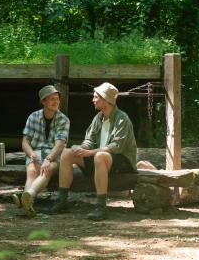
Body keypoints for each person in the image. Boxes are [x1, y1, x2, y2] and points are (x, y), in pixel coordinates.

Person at [46, 82, 137, 221]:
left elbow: (116, 147)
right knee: (66, 153)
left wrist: (90, 152)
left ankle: (101, 207)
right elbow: (89, 139)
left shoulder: (122, 119)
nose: (93, 99)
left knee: (100, 156)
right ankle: (62, 201)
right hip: (99, 158)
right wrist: (82, 148)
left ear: (105, 99)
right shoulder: (98, 118)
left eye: (96, 97)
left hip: (122, 162)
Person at [12, 85, 70, 217]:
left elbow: (60, 145)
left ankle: (26, 196)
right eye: (52, 99)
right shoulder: (33, 117)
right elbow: (25, 141)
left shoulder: (63, 119)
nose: (56, 102)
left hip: (54, 154)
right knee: (32, 171)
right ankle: (28, 204)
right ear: (43, 101)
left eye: (57, 99)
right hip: (36, 152)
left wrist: (48, 159)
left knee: (47, 169)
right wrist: (31, 153)